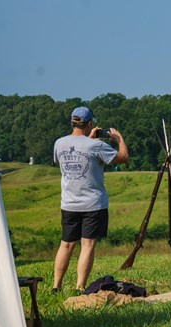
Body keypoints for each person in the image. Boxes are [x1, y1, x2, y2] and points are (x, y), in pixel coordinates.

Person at [52, 107, 129, 292]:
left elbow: (73, 156)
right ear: (89, 124)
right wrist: (119, 140)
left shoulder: (59, 143)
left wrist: (88, 140)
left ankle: (56, 286)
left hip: (69, 203)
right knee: (87, 245)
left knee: (66, 244)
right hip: (92, 203)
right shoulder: (96, 146)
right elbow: (123, 158)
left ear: (72, 122)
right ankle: (80, 287)